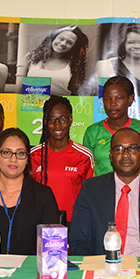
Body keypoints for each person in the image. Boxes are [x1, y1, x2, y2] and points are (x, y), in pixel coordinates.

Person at [70, 128, 140, 256]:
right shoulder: (91, 190)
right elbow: (78, 242)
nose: (126, 155)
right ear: (111, 155)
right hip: (102, 268)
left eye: (133, 149)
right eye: (119, 149)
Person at [0, 128, 59, 255]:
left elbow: (52, 249)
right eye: (6, 152)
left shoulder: (43, 196)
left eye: (20, 153)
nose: (13, 159)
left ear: (26, 160)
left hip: (29, 272)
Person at [30, 95, 94, 223]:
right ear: (45, 121)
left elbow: (90, 196)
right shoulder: (33, 155)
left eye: (62, 119)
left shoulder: (84, 156)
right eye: (52, 119)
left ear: (70, 120)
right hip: (40, 223)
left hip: (73, 223)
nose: (57, 125)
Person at [82, 76, 140, 176]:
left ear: (130, 99)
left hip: (134, 190)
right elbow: (85, 170)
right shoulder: (92, 132)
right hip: (101, 190)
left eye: (119, 98)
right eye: (107, 99)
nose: (113, 104)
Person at [16, 25, 89, 95]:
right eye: (61, 39)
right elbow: (19, 89)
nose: (63, 44)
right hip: (31, 106)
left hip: (59, 106)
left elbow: (75, 91)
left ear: (73, 47)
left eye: (69, 43)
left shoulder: (74, 65)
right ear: (53, 38)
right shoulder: (30, 57)